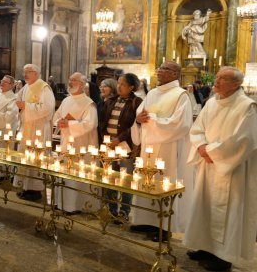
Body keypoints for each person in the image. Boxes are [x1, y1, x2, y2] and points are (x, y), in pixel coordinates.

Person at [183, 67, 257, 272]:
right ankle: (205, 248)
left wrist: (211, 152)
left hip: (231, 170)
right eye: (217, 77)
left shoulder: (247, 106)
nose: (216, 81)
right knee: (205, 206)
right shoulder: (212, 102)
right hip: (208, 165)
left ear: (236, 84)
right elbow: (197, 128)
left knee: (227, 212)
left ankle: (223, 257)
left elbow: (244, 140)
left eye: (222, 79)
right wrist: (201, 147)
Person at [130, 61, 194, 242]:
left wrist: (152, 121)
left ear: (175, 74)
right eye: (160, 67)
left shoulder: (181, 96)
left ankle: (164, 227)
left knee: (164, 182)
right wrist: (139, 119)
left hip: (168, 148)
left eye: (165, 69)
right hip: (149, 147)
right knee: (146, 180)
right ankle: (144, 220)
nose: (159, 71)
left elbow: (181, 125)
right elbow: (140, 115)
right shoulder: (152, 93)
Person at [98, 73, 143, 220]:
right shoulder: (111, 101)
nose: (119, 86)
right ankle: (112, 210)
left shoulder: (136, 102)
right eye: (118, 83)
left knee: (125, 179)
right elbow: (103, 121)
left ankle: (124, 211)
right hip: (109, 145)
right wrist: (107, 138)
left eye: (123, 84)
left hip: (126, 147)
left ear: (131, 87)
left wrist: (119, 138)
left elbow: (135, 125)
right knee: (110, 176)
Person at [53, 72, 98, 212]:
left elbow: (90, 124)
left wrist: (70, 124)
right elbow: (57, 116)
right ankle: (62, 202)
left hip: (81, 144)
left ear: (82, 84)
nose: (70, 82)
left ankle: (76, 205)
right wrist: (59, 122)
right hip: (66, 141)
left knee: (77, 173)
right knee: (65, 171)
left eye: (74, 80)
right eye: (70, 79)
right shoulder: (66, 100)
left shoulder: (88, 103)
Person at [13, 64, 55, 201]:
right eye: (24, 72)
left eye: (29, 72)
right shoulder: (26, 87)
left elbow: (47, 108)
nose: (25, 75)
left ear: (36, 73)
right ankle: (25, 187)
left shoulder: (44, 88)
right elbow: (16, 99)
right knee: (26, 157)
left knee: (36, 157)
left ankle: (36, 190)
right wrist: (19, 105)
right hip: (27, 127)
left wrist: (26, 106)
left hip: (39, 128)